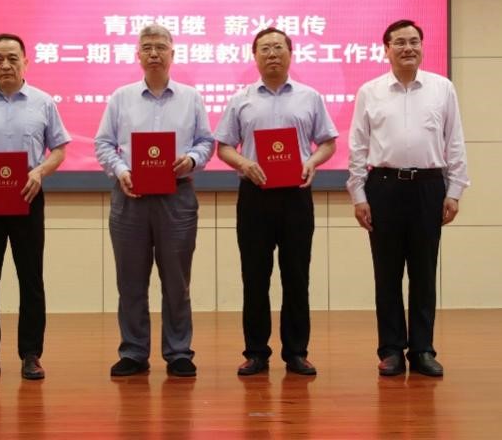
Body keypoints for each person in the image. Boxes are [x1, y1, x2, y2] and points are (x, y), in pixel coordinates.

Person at [346, 19, 469, 377]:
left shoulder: (442, 88)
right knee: (386, 273)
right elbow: (358, 146)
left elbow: (454, 141)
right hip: (383, 187)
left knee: (424, 273)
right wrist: (358, 195)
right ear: (386, 49)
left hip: (428, 187)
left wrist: (455, 190)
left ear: (422, 46)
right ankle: (390, 350)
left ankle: (422, 349)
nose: (408, 48)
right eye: (399, 42)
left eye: (414, 41)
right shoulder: (370, 91)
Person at [215, 27, 338, 377]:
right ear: (254, 56)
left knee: (296, 275)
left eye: (278, 47)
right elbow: (223, 146)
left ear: (290, 53)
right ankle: (256, 352)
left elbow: (328, 142)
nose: (272, 54)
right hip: (255, 195)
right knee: (255, 276)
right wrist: (244, 163)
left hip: (296, 194)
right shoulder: (241, 99)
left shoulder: (309, 97)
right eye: (265, 48)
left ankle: (296, 352)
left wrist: (312, 162)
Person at [95, 23, 214, 378]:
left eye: (160, 47)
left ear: (172, 54)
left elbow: (206, 142)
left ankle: (178, 352)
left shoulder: (191, 97)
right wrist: (121, 170)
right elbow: (103, 143)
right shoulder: (121, 97)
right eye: (147, 47)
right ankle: (133, 351)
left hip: (177, 197)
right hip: (130, 196)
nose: (154, 53)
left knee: (177, 280)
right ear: (137, 55)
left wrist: (191, 159)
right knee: (130, 280)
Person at [0, 33, 70, 381]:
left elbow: (59, 149)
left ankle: (31, 355)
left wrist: (40, 172)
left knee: (31, 279)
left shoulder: (43, 103)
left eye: (12, 58)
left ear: (25, 62)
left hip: (27, 198)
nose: (6, 64)